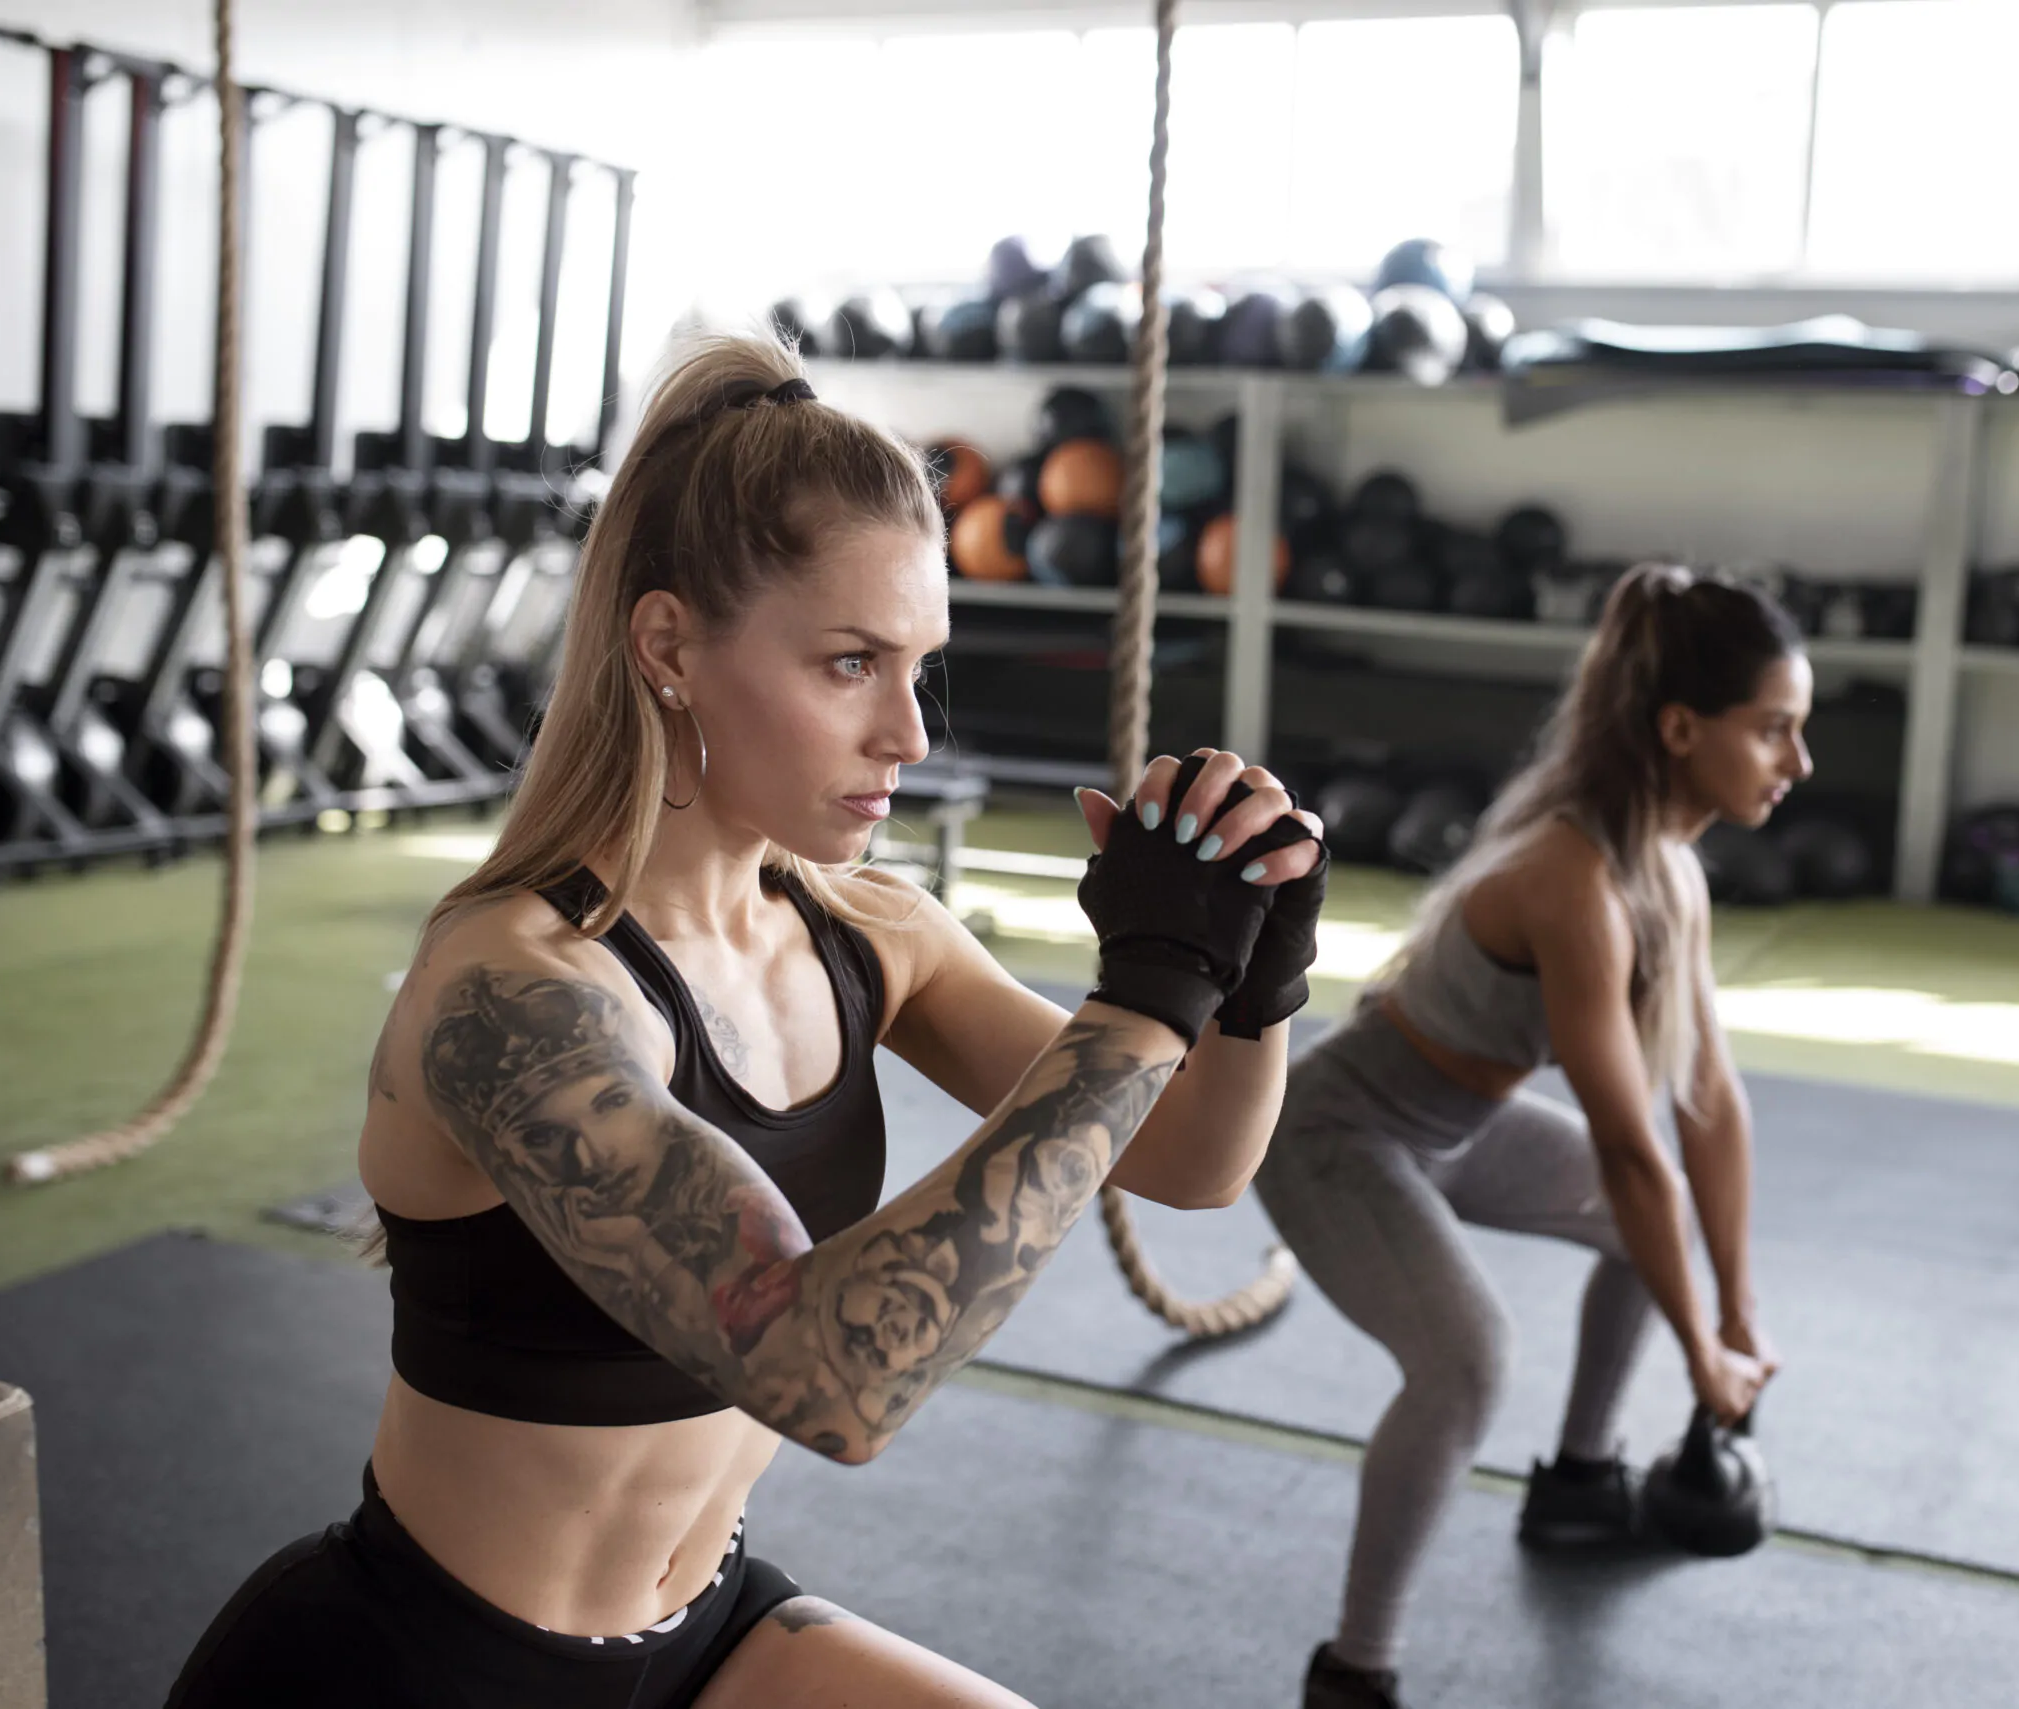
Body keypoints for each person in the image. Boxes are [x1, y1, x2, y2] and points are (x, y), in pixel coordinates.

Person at [164, 332, 1326, 1709]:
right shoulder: (516, 989)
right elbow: (829, 1376)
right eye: (850, 663)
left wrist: (1252, 984)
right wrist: (1145, 998)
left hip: (702, 1639)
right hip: (425, 1669)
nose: (910, 732)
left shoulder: (869, 933)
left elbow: (1192, 1159)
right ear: (668, 644)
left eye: (920, 667)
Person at [1253, 563, 1808, 1709]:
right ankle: (1353, 1669)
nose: (1797, 764)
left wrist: (1737, 1315)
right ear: (1679, 727)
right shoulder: (1573, 881)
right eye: (1773, 732)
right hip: (1337, 1129)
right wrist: (1704, 1353)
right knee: (1465, 1363)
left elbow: (1709, 1102)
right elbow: (1629, 1144)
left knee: (1642, 1238)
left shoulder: (1668, 870)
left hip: (1460, 1124)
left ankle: (1579, 1481)